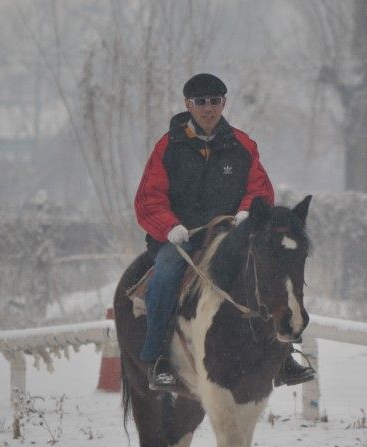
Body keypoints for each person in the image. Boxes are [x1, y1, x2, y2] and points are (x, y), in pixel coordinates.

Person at [134, 73, 316, 390]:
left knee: (266, 270)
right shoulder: (167, 147)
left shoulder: (243, 146)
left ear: (224, 103)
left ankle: (283, 356)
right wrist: (170, 226)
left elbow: (259, 189)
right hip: (182, 240)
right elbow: (150, 198)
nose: (208, 108)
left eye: (215, 101)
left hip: (231, 236)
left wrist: (247, 210)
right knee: (164, 273)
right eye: (201, 102)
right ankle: (158, 360)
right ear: (187, 104)